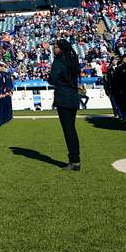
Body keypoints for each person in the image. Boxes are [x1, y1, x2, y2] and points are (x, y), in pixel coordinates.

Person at [47, 39, 81, 170]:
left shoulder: (59, 61)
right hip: (73, 97)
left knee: (68, 130)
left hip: (63, 98)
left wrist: (50, 76)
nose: (53, 49)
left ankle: (74, 160)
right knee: (72, 129)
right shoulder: (73, 59)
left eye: (55, 47)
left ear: (60, 49)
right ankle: (75, 159)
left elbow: (52, 80)